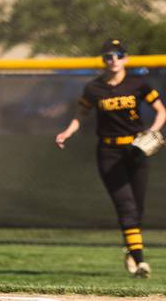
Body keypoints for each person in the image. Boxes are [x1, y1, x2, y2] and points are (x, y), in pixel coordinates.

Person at [55, 38, 166, 278]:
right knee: (126, 207)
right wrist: (67, 132)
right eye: (108, 56)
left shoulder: (138, 84)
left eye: (117, 54)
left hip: (136, 150)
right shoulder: (94, 89)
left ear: (125, 58)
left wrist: (154, 131)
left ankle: (131, 246)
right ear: (103, 60)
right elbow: (80, 114)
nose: (113, 59)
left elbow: (161, 110)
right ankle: (141, 262)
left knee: (138, 209)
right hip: (109, 152)